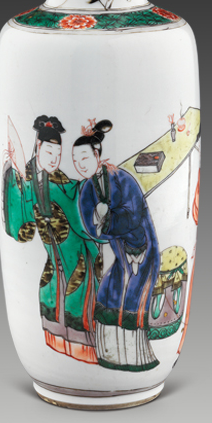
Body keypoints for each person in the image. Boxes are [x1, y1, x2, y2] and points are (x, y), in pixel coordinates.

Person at [2, 115, 101, 364]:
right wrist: (12, 175)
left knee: (76, 292)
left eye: (58, 153)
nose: (54, 159)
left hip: (71, 251)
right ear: (38, 147)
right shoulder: (32, 180)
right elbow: (23, 220)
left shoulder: (56, 181)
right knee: (57, 290)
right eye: (49, 152)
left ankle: (77, 350)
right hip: (57, 254)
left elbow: (75, 197)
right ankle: (62, 351)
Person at [72, 119, 161, 372]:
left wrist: (107, 219)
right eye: (75, 160)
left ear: (97, 155)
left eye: (84, 158)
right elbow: (92, 229)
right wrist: (97, 221)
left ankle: (136, 358)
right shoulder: (87, 189)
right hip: (120, 255)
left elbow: (134, 215)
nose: (80, 165)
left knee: (134, 297)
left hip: (143, 248)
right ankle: (111, 355)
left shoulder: (121, 178)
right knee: (108, 294)